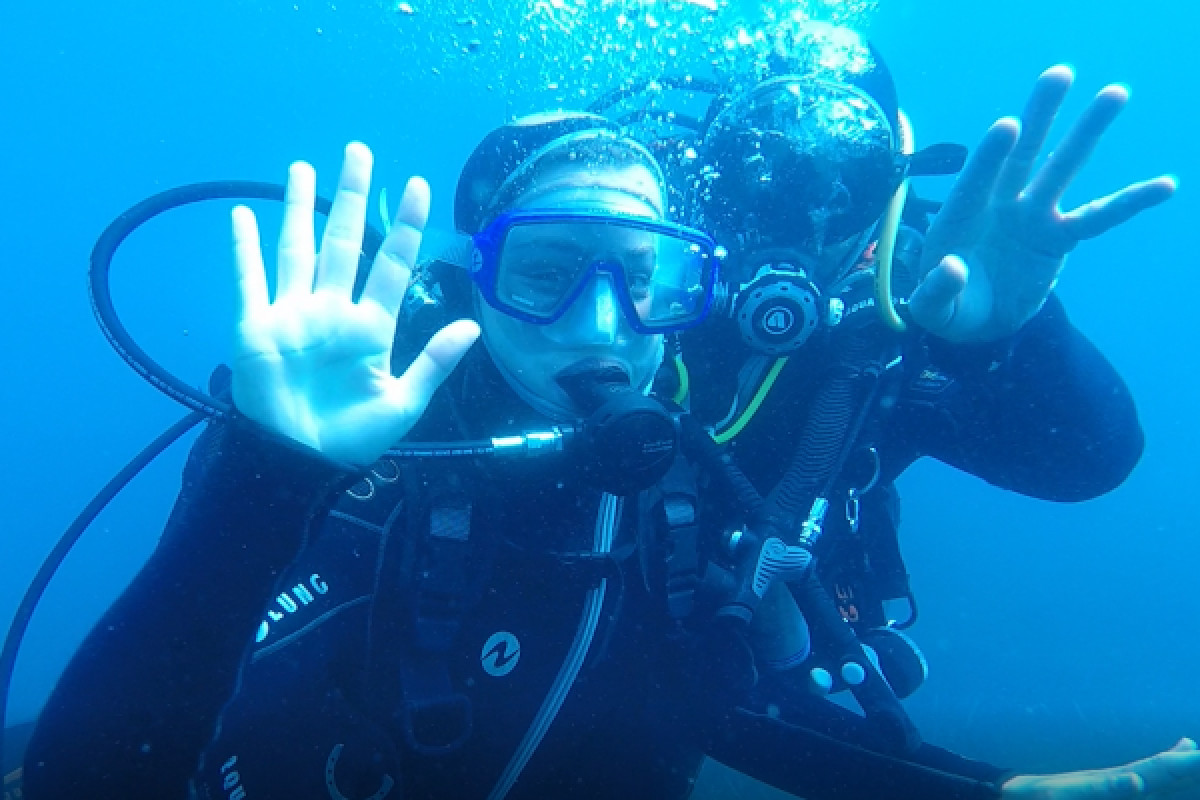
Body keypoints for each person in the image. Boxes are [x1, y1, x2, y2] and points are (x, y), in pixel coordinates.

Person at [22, 113, 1200, 800]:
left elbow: (725, 706)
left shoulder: (688, 480)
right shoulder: (368, 448)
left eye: (647, 281)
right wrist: (268, 469)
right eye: (545, 273)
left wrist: (983, 792)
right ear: (470, 283)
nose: (599, 326)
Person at [630, 25, 1194, 796]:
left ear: (892, 190)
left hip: (760, 659)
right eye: (765, 177)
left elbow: (1089, 459)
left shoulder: (916, 315)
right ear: (711, 175)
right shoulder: (622, 293)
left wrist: (1007, 336)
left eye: (848, 182)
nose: (809, 223)